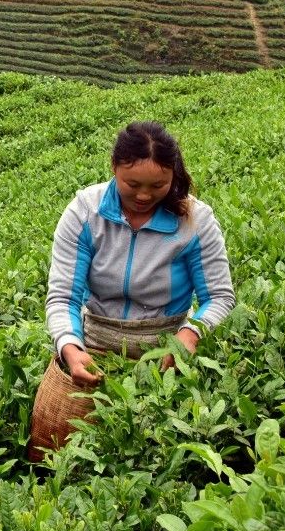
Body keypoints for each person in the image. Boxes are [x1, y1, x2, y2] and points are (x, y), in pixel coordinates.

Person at [30, 121, 235, 457]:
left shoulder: (195, 220)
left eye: (159, 185)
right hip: (94, 345)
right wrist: (70, 347)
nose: (144, 195)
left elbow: (219, 296)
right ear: (114, 169)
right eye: (132, 184)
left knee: (157, 456)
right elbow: (63, 296)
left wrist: (189, 335)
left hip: (165, 352)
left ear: (174, 176)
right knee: (51, 449)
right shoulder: (86, 212)